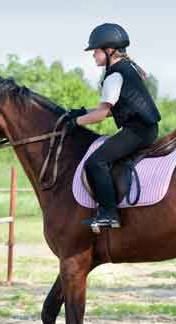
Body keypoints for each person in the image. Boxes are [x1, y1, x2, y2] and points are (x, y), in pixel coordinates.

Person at [64, 23, 161, 230]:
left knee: (95, 163)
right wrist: (82, 113)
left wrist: (74, 123)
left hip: (138, 131)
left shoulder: (114, 75)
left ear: (109, 51)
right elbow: (109, 110)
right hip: (144, 129)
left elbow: (101, 115)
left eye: (96, 51)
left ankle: (109, 214)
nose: (93, 56)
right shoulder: (125, 70)